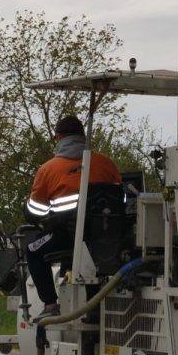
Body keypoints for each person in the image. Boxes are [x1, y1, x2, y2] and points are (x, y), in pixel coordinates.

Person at [23, 115, 122, 318]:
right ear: (82, 136)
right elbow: (121, 200)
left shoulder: (48, 169)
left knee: (32, 251)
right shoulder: (106, 164)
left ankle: (50, 306)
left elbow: (36, 212)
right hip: (106, 237)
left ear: (58, 137)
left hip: (68, 236)